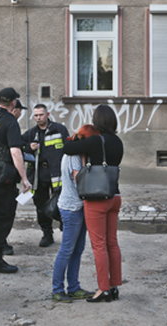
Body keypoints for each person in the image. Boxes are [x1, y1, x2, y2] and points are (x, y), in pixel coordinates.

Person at [62, 104, 123, 303]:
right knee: (112, 242)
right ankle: (114, 286)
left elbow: (68, 147)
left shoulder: (96, 141)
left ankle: (103, 289)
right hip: (114, 195)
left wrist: (77, 134)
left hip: (97, 197)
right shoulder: (118, 142)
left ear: (96, 122)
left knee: (99, 245)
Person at [0, 87, 32, 273]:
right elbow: (15, 151)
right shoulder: (10, 122)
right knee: (2, 216)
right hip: (2, 176)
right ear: (13, 102)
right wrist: (24, 178)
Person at [50, 124, 98, 303]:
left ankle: (73, 287)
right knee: (67, 250)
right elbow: (80, 179)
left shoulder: (79, 154)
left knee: (77, 250)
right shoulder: (72, 155)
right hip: (71, 207)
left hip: (79, 206)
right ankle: (57, 289)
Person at [23, 104, 70, 247]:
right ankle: (47, 234)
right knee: (41, 206)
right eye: (35, 115)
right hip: (39, 176)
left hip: (57, 175)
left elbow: (69, 149)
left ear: (47, 114)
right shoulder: (31, 133)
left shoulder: (59, 129)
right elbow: (17, 147)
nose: (38, 118)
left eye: (41, 115)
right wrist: (28, 148)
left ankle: (66, 231)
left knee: (62, 204)